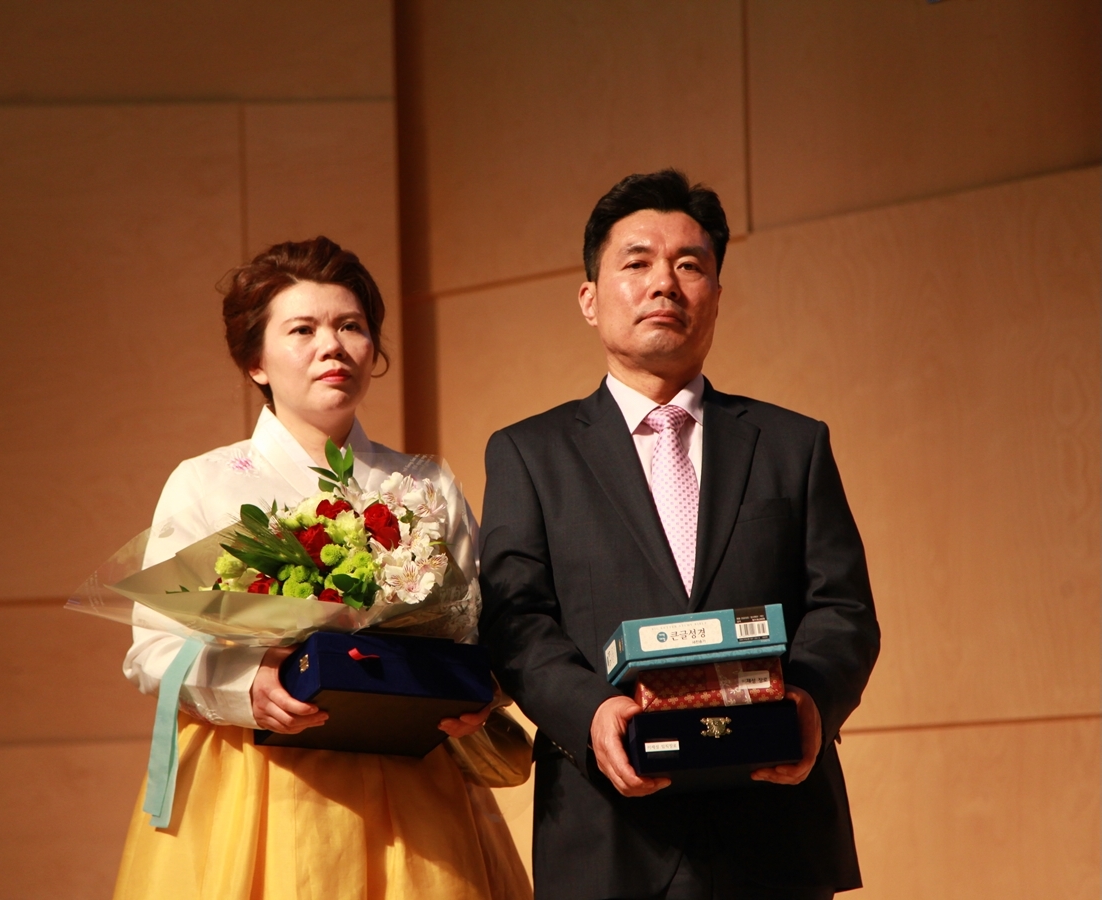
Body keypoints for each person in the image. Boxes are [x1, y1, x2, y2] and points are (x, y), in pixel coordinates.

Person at [478, 170, 879, 900]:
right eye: (637, 263)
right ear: (589, 299)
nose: (664, 282)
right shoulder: (528, 454)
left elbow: (844, 609)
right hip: (608, 834)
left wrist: (810, 704)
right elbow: (515, 621)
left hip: (774, 830)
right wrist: (591, 713)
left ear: (716, 296)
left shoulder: (794, 444)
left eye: (690, 265)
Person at [114, 237, 531, 900]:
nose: (331, 346)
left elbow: (484, 628)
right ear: (256, 360)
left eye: (351, 326)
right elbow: (154, 648)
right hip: (259, 783)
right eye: (302, 329)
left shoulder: (425, 484)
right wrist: (248, 682)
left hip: (411, 779)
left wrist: (476, 688)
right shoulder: (208, 482)